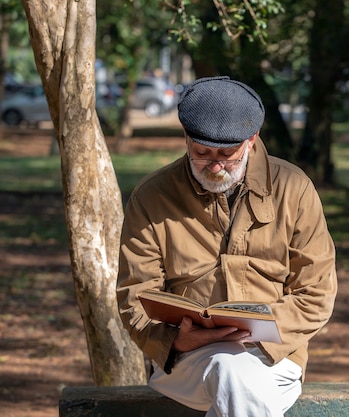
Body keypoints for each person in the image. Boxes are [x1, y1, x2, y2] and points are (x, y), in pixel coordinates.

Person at [116, 76, 337, 417]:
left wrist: (252, 332)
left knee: (234, 373)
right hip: (183, 362)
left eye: (227, 155)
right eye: (201, 153)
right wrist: (177, 341)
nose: (215, 166)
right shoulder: (152, 197)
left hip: (274, 357)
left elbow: (317, 295)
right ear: (186, 137)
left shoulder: (294, 189)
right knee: (228, 370)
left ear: (252, 140)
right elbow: (134, 297)